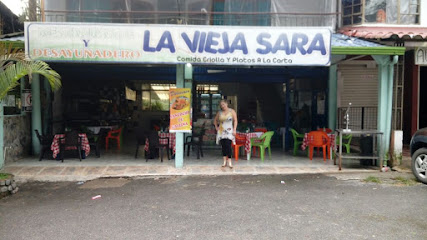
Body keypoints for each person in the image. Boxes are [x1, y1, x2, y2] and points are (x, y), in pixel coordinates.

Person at [214, 100, 238, 168]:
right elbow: (215, 120)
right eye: (221, 105)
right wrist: (216, 127)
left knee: (228, 145)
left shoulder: (232, 111)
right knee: (223, 146)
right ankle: (224, 161)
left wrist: (234, 129)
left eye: (223, 104)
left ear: (227, 104)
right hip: (221, 131)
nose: (223, 106)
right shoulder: (219, 112)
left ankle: (229, 161)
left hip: (229, 130)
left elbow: (235, 120)